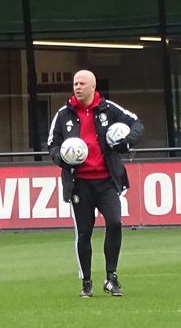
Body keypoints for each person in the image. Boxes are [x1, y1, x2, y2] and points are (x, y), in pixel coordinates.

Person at [48, 69, 144, 297]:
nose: (77, 87)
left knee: (115, 223)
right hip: (79, 183)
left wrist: (126, 143)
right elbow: (52, 144)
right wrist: (62, 158)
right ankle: (87, 282)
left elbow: (137, 124)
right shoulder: (63, 114)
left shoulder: (108, 109)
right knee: (84, 232)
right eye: (75, 84)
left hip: (106, 181)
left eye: (82, 83)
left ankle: (111, 277)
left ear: (93, 87)